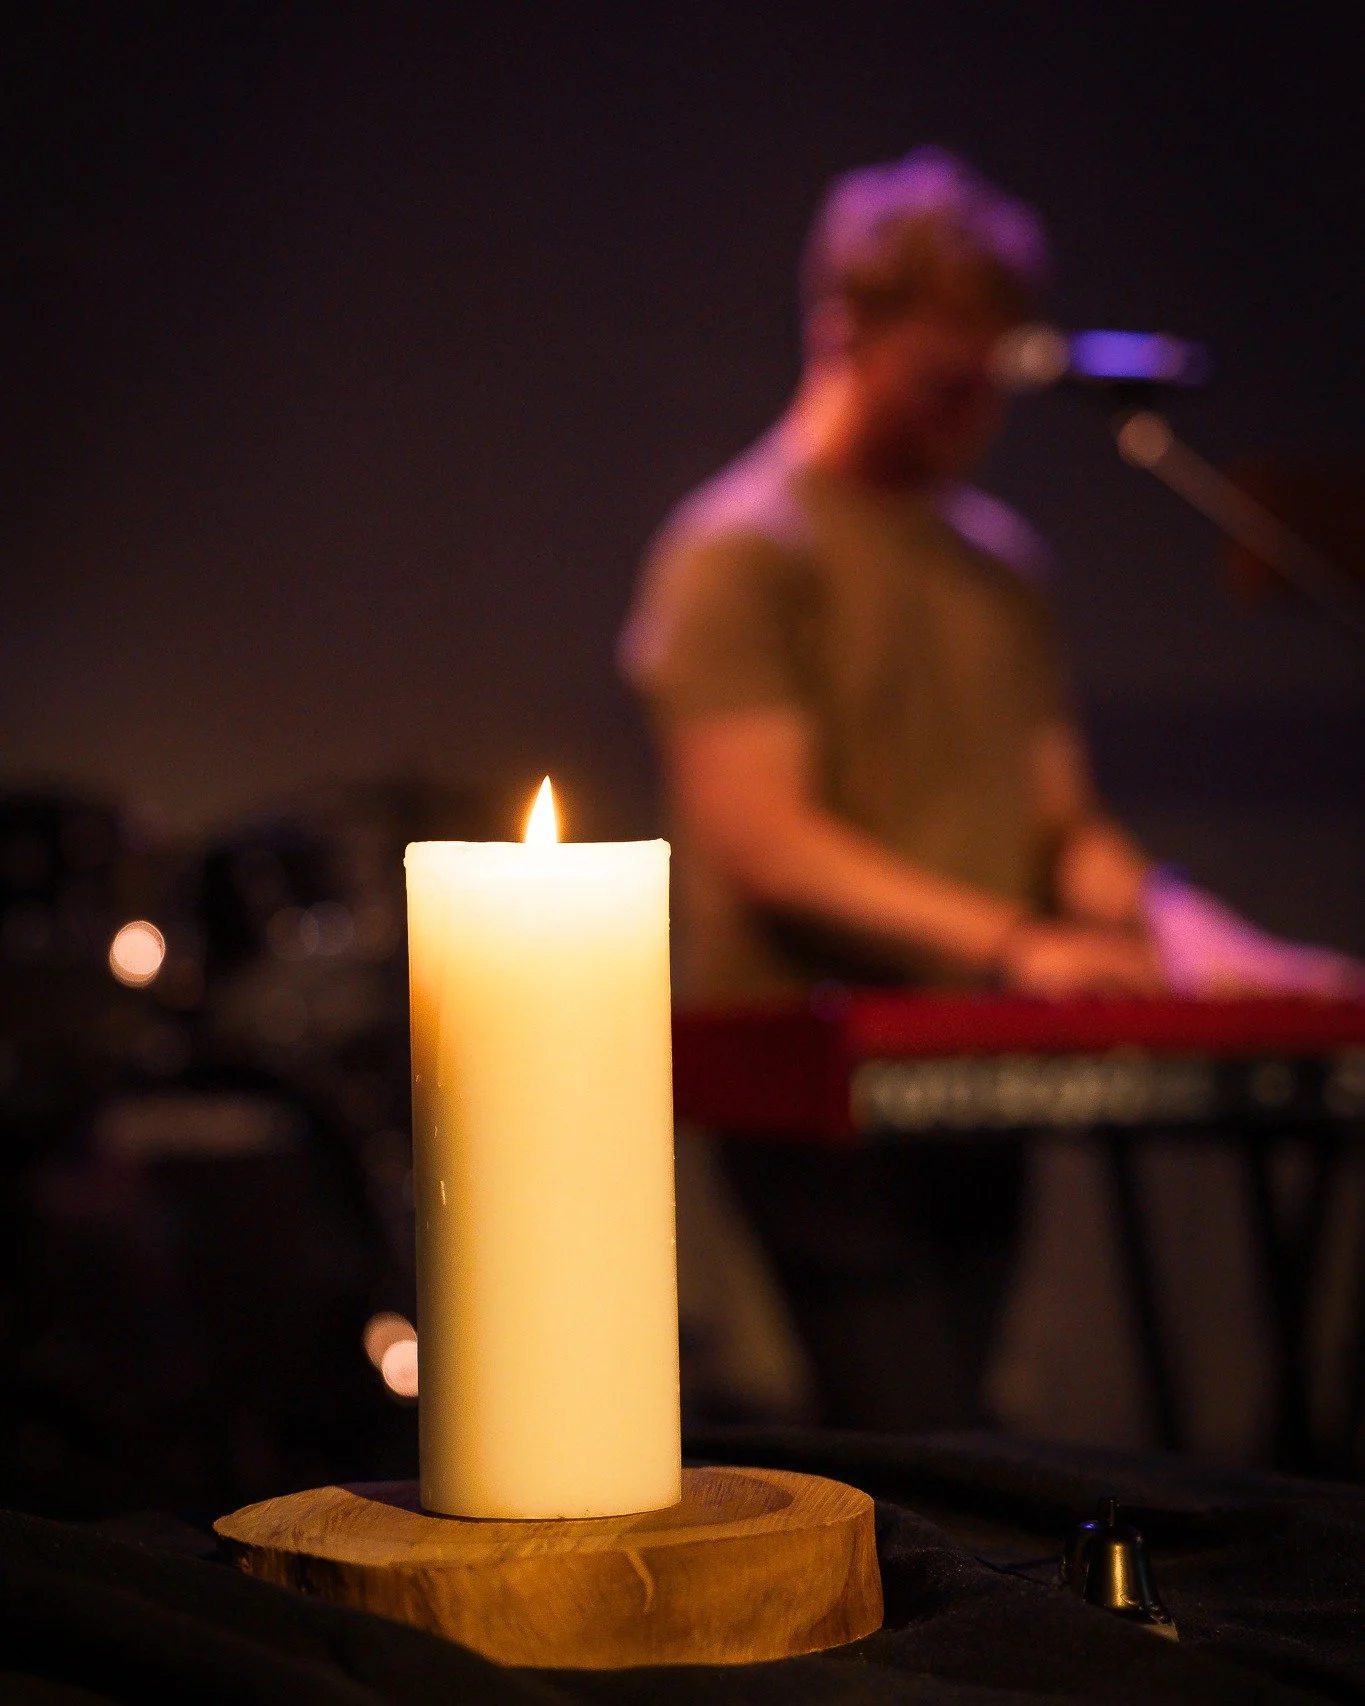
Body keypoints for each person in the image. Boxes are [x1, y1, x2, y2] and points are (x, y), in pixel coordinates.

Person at [619, 149, 1363, 1431]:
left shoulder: (1003, 566)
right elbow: (769, 842)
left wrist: (1197, 936)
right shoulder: (736, 550)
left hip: (978, 1051)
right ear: (842, 330)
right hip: (816, 1072)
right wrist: (1021, 947)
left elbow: (1060, 828)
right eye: (943, 363)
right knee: (923, 1435)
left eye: (995, 360)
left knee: (982, 1429)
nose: (977, 397)